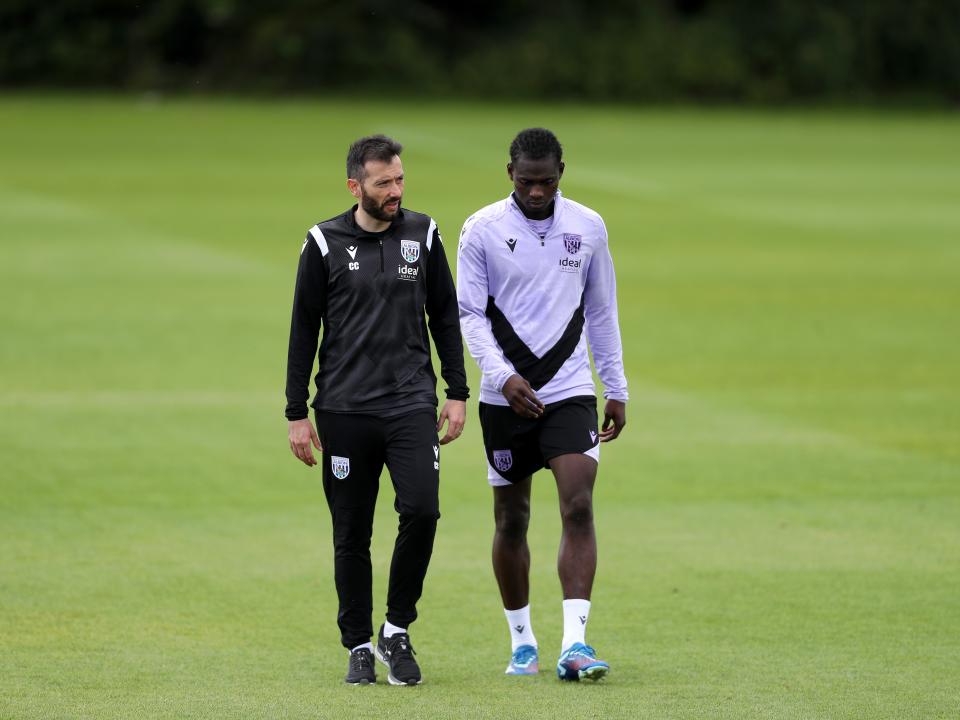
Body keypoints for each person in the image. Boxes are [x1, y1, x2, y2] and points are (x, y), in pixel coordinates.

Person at [285, 134, 468, 686]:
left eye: (400, 179)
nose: (396, 191)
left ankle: (396, 627)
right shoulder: (323, 242)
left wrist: (457, 393)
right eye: (384, 182)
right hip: (343, 410)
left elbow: (445, 316)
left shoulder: (424, 232)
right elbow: (303, 329)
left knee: (422, 511)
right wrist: (297, 412)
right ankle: (359, 644)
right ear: (354, 186)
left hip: (411, 402)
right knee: (351, 534)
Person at [456, 128, 628, 682]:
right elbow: (468, 315)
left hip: (570, 388)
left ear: (561, 173)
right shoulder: (481, 230)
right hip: (503, 397)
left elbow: (601, 312)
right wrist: (502, 377)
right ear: (510, 173)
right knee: (512, 518)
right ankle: (522, 641)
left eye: (547, 181)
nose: (536, 191)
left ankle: (574, 645)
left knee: (578, 504)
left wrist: (616, 387)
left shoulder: (589, 226)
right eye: (527, 181)